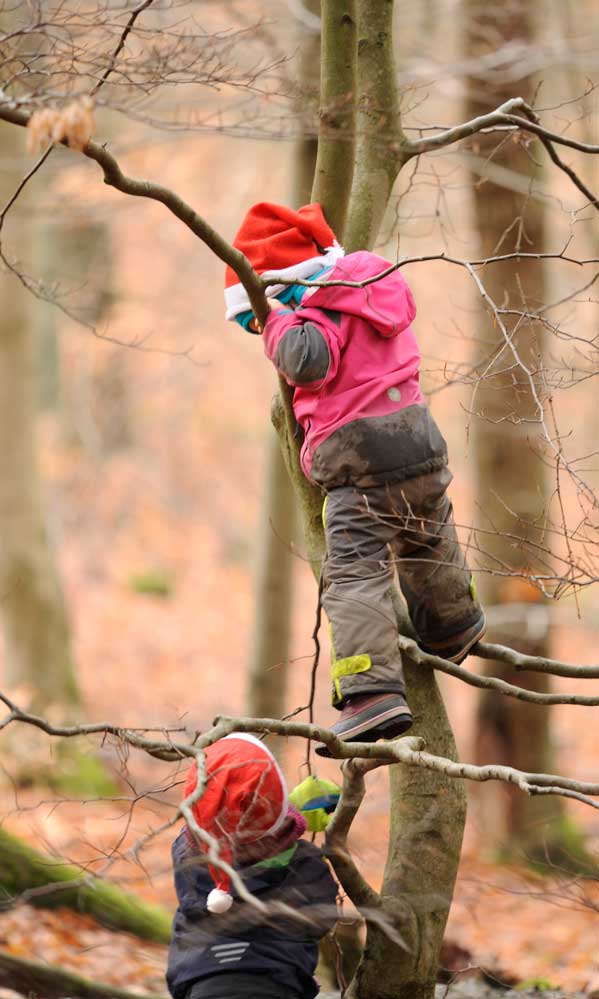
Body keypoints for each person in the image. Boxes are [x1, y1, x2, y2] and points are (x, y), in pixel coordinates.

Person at [224, 202, 486, 753]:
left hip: (359, 455)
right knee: (425, 532)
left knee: (354, 572)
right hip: (418, 438)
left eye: (253, 316)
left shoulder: (315, 310)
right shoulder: (371, 291)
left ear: (281, 286)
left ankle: (371, 692)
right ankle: (452, 622)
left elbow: (307, 362)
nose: (255, 330)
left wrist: (276, 325)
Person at [166, 733, 339, 999]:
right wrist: (290, 817)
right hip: (273, 984)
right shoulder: (304, 865)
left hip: (199, 981)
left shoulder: (188, 856)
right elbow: (323, 916)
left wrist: (285, 811)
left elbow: (232, 828)